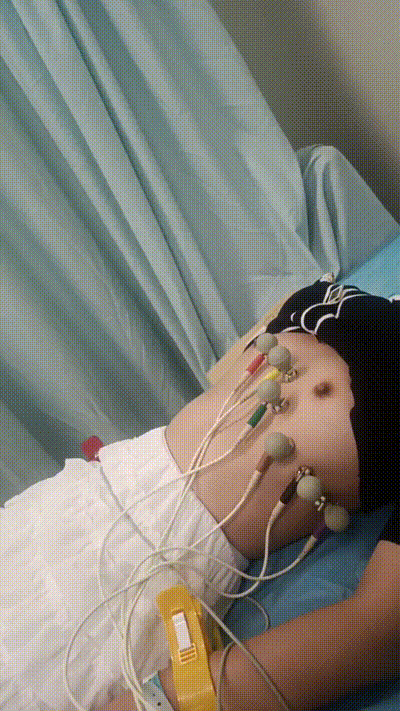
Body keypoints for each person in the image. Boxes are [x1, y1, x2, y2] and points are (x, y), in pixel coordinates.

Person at [1, 277, 398, 711]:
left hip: (153, 571)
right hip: (74, 500)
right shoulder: (337, 295)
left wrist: (157, 703)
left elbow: (381, 627)